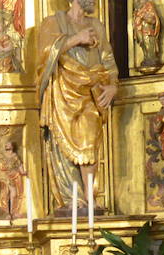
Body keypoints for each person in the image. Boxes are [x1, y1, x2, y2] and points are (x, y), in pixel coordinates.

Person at [36, 0, 117, 210]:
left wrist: (113, 86)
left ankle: (90, 198)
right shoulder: (52, 23)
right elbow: (44, 55)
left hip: (91, 90)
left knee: (89, 138)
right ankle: (72, 199)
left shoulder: (96, 25)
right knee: (63, 148)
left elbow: (107, 59)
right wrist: (75, 39)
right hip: (63, 92)